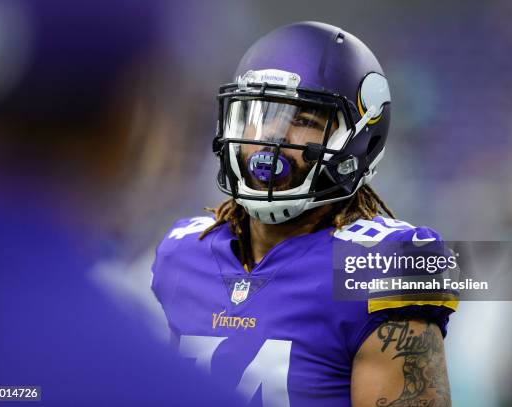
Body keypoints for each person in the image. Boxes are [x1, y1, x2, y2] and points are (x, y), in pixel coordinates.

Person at [152, 21, 458, 407]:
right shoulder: (181, 253)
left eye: (305, 121)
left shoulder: (383, 264)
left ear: (358, 141)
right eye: (260, 114)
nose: (271, 137)